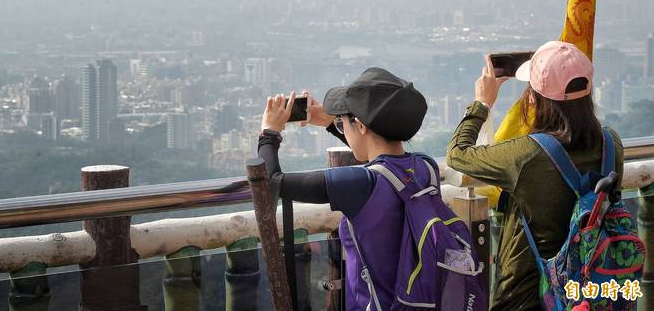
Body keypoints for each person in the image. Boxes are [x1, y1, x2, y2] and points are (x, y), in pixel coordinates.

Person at [446, 41, 624, 310]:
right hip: (591, 291)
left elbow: (458, 154)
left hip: (527, 296)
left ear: (533, 99)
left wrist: (482, 103)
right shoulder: (611, 144)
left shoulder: (528, 156)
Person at [257, 67, 428, 310]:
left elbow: (270, 182)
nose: (341, 125)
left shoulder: (361, 185)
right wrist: (333, 123)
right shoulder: (425, 168)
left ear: (360, 126)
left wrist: (269, 133)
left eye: (344, 121)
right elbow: (379, 160)